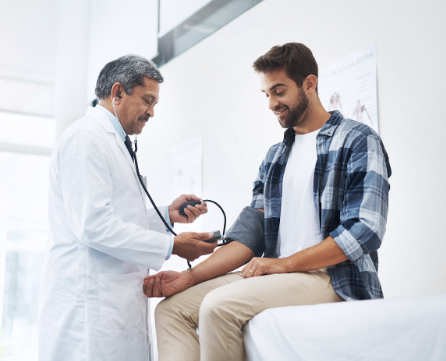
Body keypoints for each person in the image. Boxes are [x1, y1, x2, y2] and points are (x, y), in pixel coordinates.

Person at [143, 43, 392, 361]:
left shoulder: (358, 140)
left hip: (334, 277)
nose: (273, 103)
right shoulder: (275, 158)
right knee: (171, 310)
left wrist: (284, 264)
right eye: (266, 95)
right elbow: (250, 236)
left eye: (279, 91)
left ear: (309, 84)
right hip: (278, 274)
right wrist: (187, 277)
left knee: (219, 307)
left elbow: (365, 230)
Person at [38, 54, 218, 361]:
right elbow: (93, 225)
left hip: (112, 304)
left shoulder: (114, 141)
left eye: (155, 104)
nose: (151, 112)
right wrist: (172, 246)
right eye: (147, 100)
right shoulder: (86, 138)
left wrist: (165, 216)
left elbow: (116, 217)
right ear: (117, 92)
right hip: (88, 309)